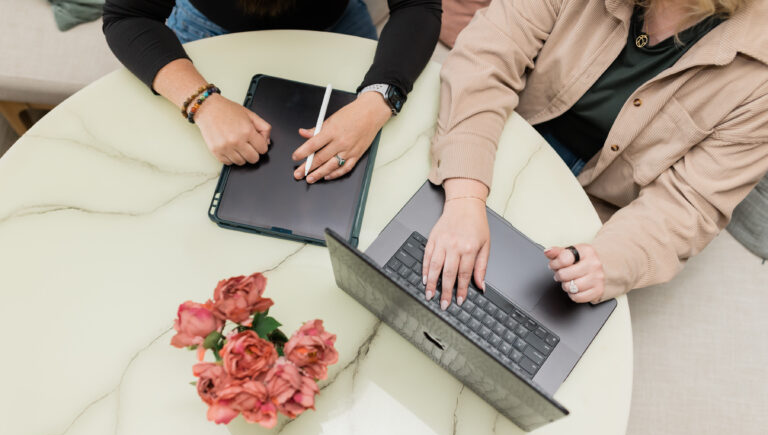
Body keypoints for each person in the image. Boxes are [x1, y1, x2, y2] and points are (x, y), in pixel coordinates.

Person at [423, 0, 768, 310]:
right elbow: (486, 57)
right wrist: (466, 196)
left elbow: (690, 203)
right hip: (496, 128)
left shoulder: (760, 74)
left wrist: (609, 260)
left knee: (502, 319)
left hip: (598, 210)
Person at [102, 0, 441, 183]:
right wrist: (201, 102)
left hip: (335, 24)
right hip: (205, 24)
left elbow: (418, 5)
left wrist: (378, 99)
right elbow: (128, 15)